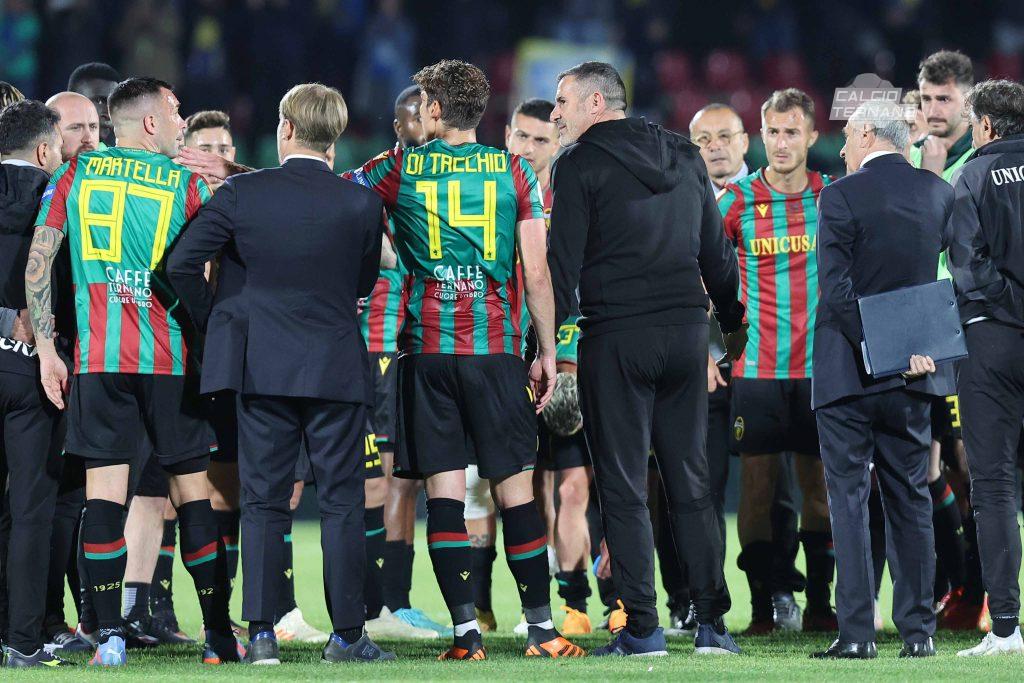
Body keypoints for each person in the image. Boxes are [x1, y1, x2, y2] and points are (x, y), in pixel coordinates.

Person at [349, 59, 584, 661]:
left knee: (446, 497)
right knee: (516, 492)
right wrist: (547, 352)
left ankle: (465, 635)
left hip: (427, 354)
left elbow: (329, 193)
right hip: (496, 353)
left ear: (433, 109)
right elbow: (536, 272)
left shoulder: (399, 167)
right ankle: (541, 630)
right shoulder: (514, 170)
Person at [167, 82, 395, 665]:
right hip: (337, 367)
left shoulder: (243, 194)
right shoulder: (362, 203)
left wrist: (220, 321)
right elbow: (364, 283)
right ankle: (348, 636)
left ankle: (263, 634)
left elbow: (182, 264)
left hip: (260, 366)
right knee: (342, 501)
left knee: (264, 500)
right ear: (333, 138)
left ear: (285, 129)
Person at [26, 77, 239, 668]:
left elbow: (41, 257)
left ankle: (109, 637)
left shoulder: (75, 173)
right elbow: (212, 266)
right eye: (174, 111)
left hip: (99, 360)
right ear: (149, 122)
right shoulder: (187, 184)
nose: (181, 122)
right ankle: (219, 636)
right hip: (171, 360)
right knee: (192, 496)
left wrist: (46, 346)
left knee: (104, 497)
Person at [547, 61, 746, 656]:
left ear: (596, 104)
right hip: (686, 335)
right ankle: (712, 625)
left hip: (616, 337)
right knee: (692, 481)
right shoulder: (684, 155)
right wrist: (731, 327)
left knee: (624, 486)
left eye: (562, 101)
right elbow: (717, 255)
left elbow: (561, 266)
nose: (556, 113)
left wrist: (546, 347)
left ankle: (642, 628)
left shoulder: (577, 163)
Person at [811, 98, 955, 659]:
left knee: (848, 501)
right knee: (911, 498)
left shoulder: (839, 195)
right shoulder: (938, 192)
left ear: (869, 133)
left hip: (848, 370)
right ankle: (919, 634)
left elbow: (837, 290)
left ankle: (856, 635)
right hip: (915, 373)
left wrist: (877, 349)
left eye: (849, 135)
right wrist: (923, 349)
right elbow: (951, 279)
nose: (844, 146)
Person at [718, 89, 836, 634]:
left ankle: (819, 606)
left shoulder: (831, 197)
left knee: (819, 488)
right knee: (757, 490)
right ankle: (762, 608)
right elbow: (700, 272)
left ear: (812, 136)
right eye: (773, 132)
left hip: (818, 370)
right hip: (757, 370)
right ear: (760, 135)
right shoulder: (736, 201)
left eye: (792, 132)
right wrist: (714, 346)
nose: (782, 143)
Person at [353, 85, 449, 639]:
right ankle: (382, 606)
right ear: (398, 126)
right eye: (414, 118)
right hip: (380, 344)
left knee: (408, 477)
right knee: (385, 477)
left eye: (432, 117)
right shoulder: (380, 178)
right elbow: (318, 191)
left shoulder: (451, 177)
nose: (425, 127)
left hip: (424, 342)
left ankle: (398, 602)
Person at [947, 79, 1024, 656]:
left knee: (994, 483)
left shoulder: (972, 174)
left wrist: (1008, 306)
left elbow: (967, 264)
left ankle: (1004, 628)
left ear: (987, 126)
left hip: (993, 338)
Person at [0, 99, 69, 668]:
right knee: (30, 509)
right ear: (45, 149)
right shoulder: (60, 197)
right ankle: (22, 640)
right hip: (35, 368)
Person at [67, 63, 121, 149]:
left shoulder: (115, 156)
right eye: (99, 101)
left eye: (114, 103)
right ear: (70, 104)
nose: (109, 113)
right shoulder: (47, 152)